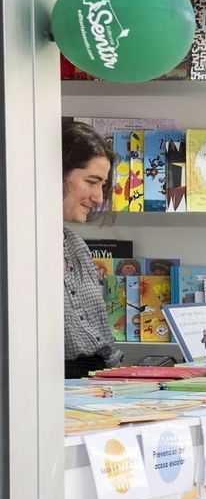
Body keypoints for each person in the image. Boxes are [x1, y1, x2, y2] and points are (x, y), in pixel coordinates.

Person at [62, 121, 123, 378]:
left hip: (94, 383)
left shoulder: (76, 245)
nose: (99, 197)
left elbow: (102, 341)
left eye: (103, 185)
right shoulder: (15, 250)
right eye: (92, 181)